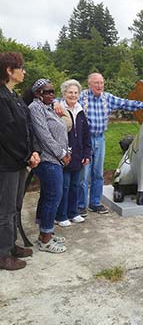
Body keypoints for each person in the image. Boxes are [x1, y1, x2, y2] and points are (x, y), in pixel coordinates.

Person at [73, 72, 143, 215]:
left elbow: (126, 103)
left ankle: (95, 203)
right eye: (96, 83)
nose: (100, 86)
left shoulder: (107, 98)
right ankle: (80, 205)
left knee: (98, 173)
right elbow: (64, 100)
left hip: (100, 139)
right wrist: (56, 103)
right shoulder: (81, 97)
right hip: (84, 141)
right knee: (83, 174)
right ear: (89, 84)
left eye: (101, 83)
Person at [0, 52, 40, 271]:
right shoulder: (1, 98)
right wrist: (27, 156)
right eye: (21, 67)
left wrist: (33, 150)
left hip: (19, 162)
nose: (24, 71)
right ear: (9, 70)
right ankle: (3, 253)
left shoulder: (13, 96)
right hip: (6, 164)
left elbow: (26, 128)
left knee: (15, 206)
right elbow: (6, 135)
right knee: (4, 210)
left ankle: (11, 245)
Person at [29, 79, 71, 253]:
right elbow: (44, 136)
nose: (52, 95)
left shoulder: (50, 107)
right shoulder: (35, 108)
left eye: (53, 91)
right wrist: (62, 154)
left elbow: (63, 126)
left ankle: (45, 232)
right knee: (54, 196)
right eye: (47, 92)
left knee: (49, 195)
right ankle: (45, 240)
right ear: (38, 93)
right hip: (48, 160)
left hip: (56, 159)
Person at [55, 79, 91, 227]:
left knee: (75, 185)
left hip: (78, 155)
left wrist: (87, 154)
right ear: (64, 93)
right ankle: (60, 215)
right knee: (64, 186)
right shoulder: (58, 109)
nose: (73, 95)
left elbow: (85, 134)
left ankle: (72, 212)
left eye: (76, 92)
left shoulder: (80, 110)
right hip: (64, 155)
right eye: (70, 92)